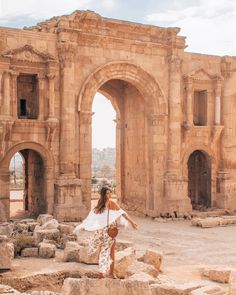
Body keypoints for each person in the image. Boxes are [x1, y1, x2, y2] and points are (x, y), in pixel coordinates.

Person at [74, 186, 137, 278]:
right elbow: (95, 216)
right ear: (103, 194)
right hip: (106, 231)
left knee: (105, 252)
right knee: (109, 252)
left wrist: (132, 222)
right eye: (107, 193)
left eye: (110, 193)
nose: (109, 195)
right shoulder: (107, 204)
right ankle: (108, 273)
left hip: (104, 231)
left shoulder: (102, 204)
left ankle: (104, 273)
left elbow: (121, 213)